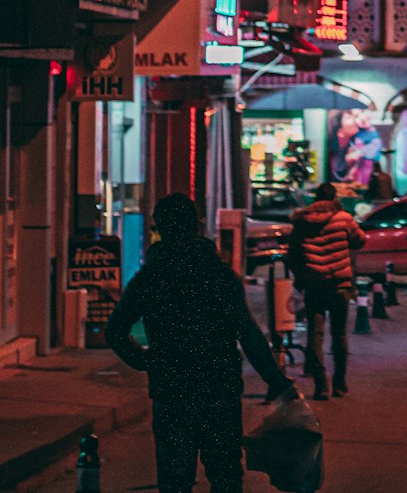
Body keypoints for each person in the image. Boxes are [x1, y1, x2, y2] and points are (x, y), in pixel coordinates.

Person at [106, 193, 294, 493]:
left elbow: (114, 331)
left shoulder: (151, 277)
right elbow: (248, 333)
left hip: (172, 391)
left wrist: (145, 361)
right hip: (218, 390)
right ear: (197, 227)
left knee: (175, 479)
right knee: (225, 476)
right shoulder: (219, 276)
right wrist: (275, 379)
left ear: (160, 229)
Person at [287, 182, 365, 400]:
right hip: (340, 285)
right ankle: (340, 383)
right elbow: (360, 241)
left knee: (315, 334)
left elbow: (292, 254)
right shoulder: (344, 218)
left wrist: (301, 278)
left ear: (316, 198)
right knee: (339, 334)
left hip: (314, 285)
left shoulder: (301, 222)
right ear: (333, 199)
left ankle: (321, 385)